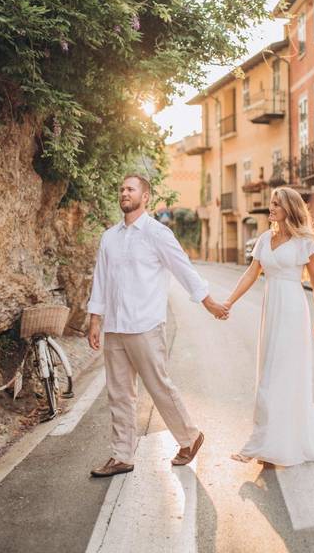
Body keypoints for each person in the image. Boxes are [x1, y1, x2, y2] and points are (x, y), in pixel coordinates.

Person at [86, 174, 230, 478]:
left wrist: (209, 303)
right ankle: (122, 455)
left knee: (159, 386)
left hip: (146, 325)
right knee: (119, 394)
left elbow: (183, 269)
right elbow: (101, 279)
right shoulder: (109, 237)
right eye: (122, 188)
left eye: (130, 189)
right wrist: (95, 319)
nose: (124, 192)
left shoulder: (157, 233)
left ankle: (190, 438)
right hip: (115, 327)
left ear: (145, 197)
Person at [222, 186, 314, 467]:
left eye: (276, 204)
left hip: (293, 310)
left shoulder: (304, 241)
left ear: (289, 209)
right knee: (268, 372)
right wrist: (229, 301)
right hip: (272, 310)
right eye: (271, 203)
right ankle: (268, 442)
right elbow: (251, 273)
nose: (271, 208)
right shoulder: (264, 239)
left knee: (281, 375)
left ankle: (267, 444)